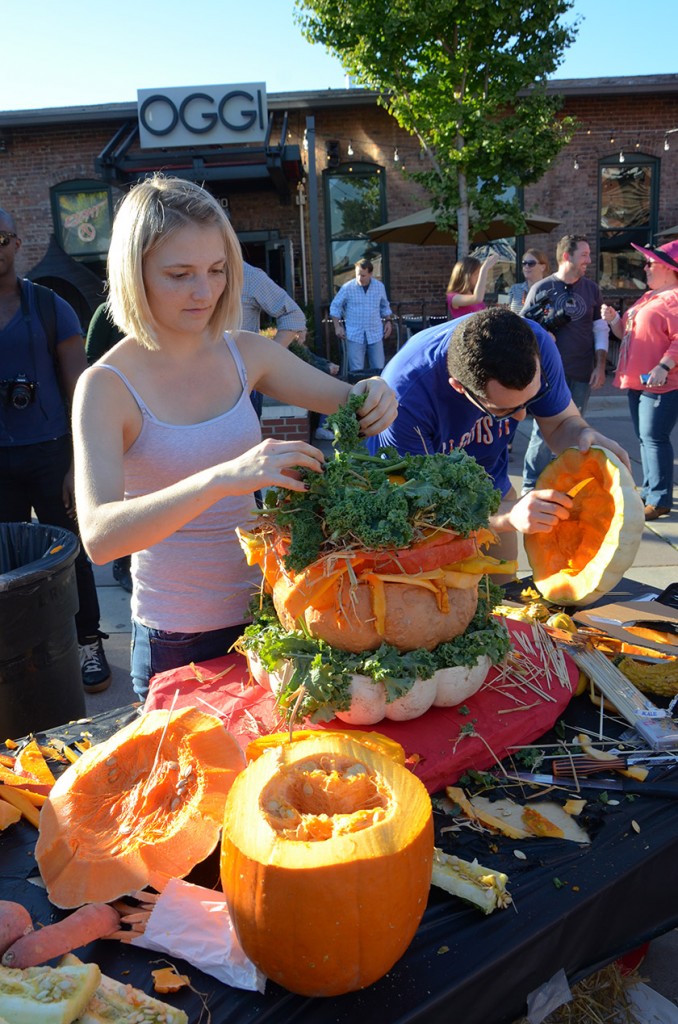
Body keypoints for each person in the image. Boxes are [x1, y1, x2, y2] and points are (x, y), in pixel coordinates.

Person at [72, 175, 396, 699]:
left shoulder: (247, 351)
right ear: (136, 275)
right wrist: (224, 478)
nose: (205, 291)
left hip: (270, 617)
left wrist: (378, 389)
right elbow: (101, 535)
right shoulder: (106, 387)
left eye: (218, 270)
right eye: (180, 274)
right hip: (175, 638)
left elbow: (351, 401)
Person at [369, 306, 630, 563]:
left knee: (506, 590)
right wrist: (507, 515)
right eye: (504, 410)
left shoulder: (535, 343)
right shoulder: (405, 398)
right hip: (421, 514)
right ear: (459, 387)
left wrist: (585, 436)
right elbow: (419, 506)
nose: (520, 417)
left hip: (492, 486)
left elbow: (560, 424)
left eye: (533, 397)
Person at [0, 208, 111, 693]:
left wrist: (76, 465)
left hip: (49, 453)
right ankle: (19, 652)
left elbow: (80, 393)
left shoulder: (48, 307)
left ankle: (88, 642)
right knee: (5, 562)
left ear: (16, 242)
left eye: (0, 237)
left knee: (69, 554)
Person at [520, 234, 609, 494]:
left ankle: (562, 481)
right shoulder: (542, 288)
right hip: (548, 374)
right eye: (584, 255)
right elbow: (522, 328)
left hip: (582, 371)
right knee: (543, 430)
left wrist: (600, 365)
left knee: (575, 429)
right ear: (567, 256)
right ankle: (530, 485)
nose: (588, 261)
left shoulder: (591, 289)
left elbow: (599, 327)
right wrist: (541, 335)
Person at [602, 240, 678, 521]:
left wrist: (663, 366)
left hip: (661, 383)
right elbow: (627, 335)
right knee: (646, 439)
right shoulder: (649, 297)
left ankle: (659, 499)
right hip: (639, 382)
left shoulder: (674, 298)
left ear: (669, 268)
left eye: (650, 263)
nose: (644, 268)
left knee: (654, 438)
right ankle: (650, 490)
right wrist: (614, 321)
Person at [85, 303, 133, 593]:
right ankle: (122, 563)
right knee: (123, 489)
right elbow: (90, 357)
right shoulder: (107, 311)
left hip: (155, 404)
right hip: (118, 408)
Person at [240, 262, 308, 419]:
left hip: (242, 383)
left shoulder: (247, 275)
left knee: (246, 444)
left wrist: (267, 361)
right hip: (193, 383)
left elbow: (293, 315)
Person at [330, 259, 393, 375]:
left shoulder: (379, 287)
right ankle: (358, 393)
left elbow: (384, 306)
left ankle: (377, 392)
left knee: (379, 369)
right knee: (356, 371)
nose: (360, 278)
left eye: (363, 275)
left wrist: (388, 321)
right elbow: (335, 306)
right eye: (357, 274)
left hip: (375, 333)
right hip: (355, 334)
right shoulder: (347, 288)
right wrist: (337, 326)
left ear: (370, 274)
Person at [445, 253, 500, 320]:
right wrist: (484, 268)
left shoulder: (473, 294)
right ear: (466, 276)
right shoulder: (453, 297)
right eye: (476, 274)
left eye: (479, 274)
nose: (479, 278)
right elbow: (477, 298)